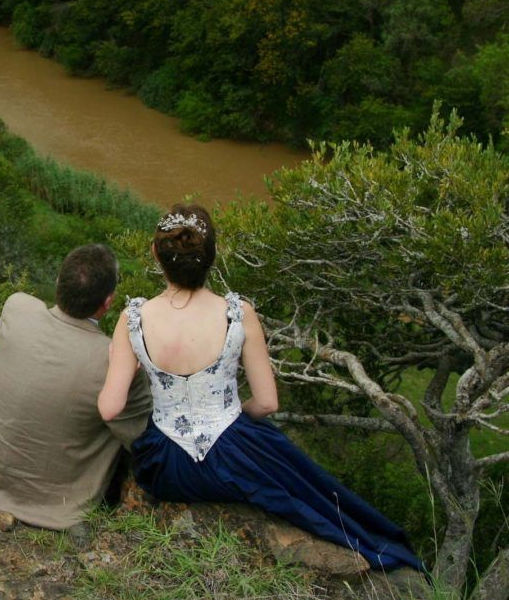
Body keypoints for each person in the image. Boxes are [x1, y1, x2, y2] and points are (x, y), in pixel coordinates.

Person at [98, 204, 422, 571]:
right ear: (211, 256)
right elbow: (267, 403)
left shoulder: (133, 317)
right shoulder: (238, 312)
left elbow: (110, 408)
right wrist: (236, 422)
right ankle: (383, 548)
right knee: (315, 495)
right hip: (235, 463)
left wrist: (119, 362)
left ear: (155, 253)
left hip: (167, 470)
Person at [0, 244, 153, 530]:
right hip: (57, 505)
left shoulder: (17, 307)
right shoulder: (113, 362)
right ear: (108, 302)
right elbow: (139, 435)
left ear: (57, 283)